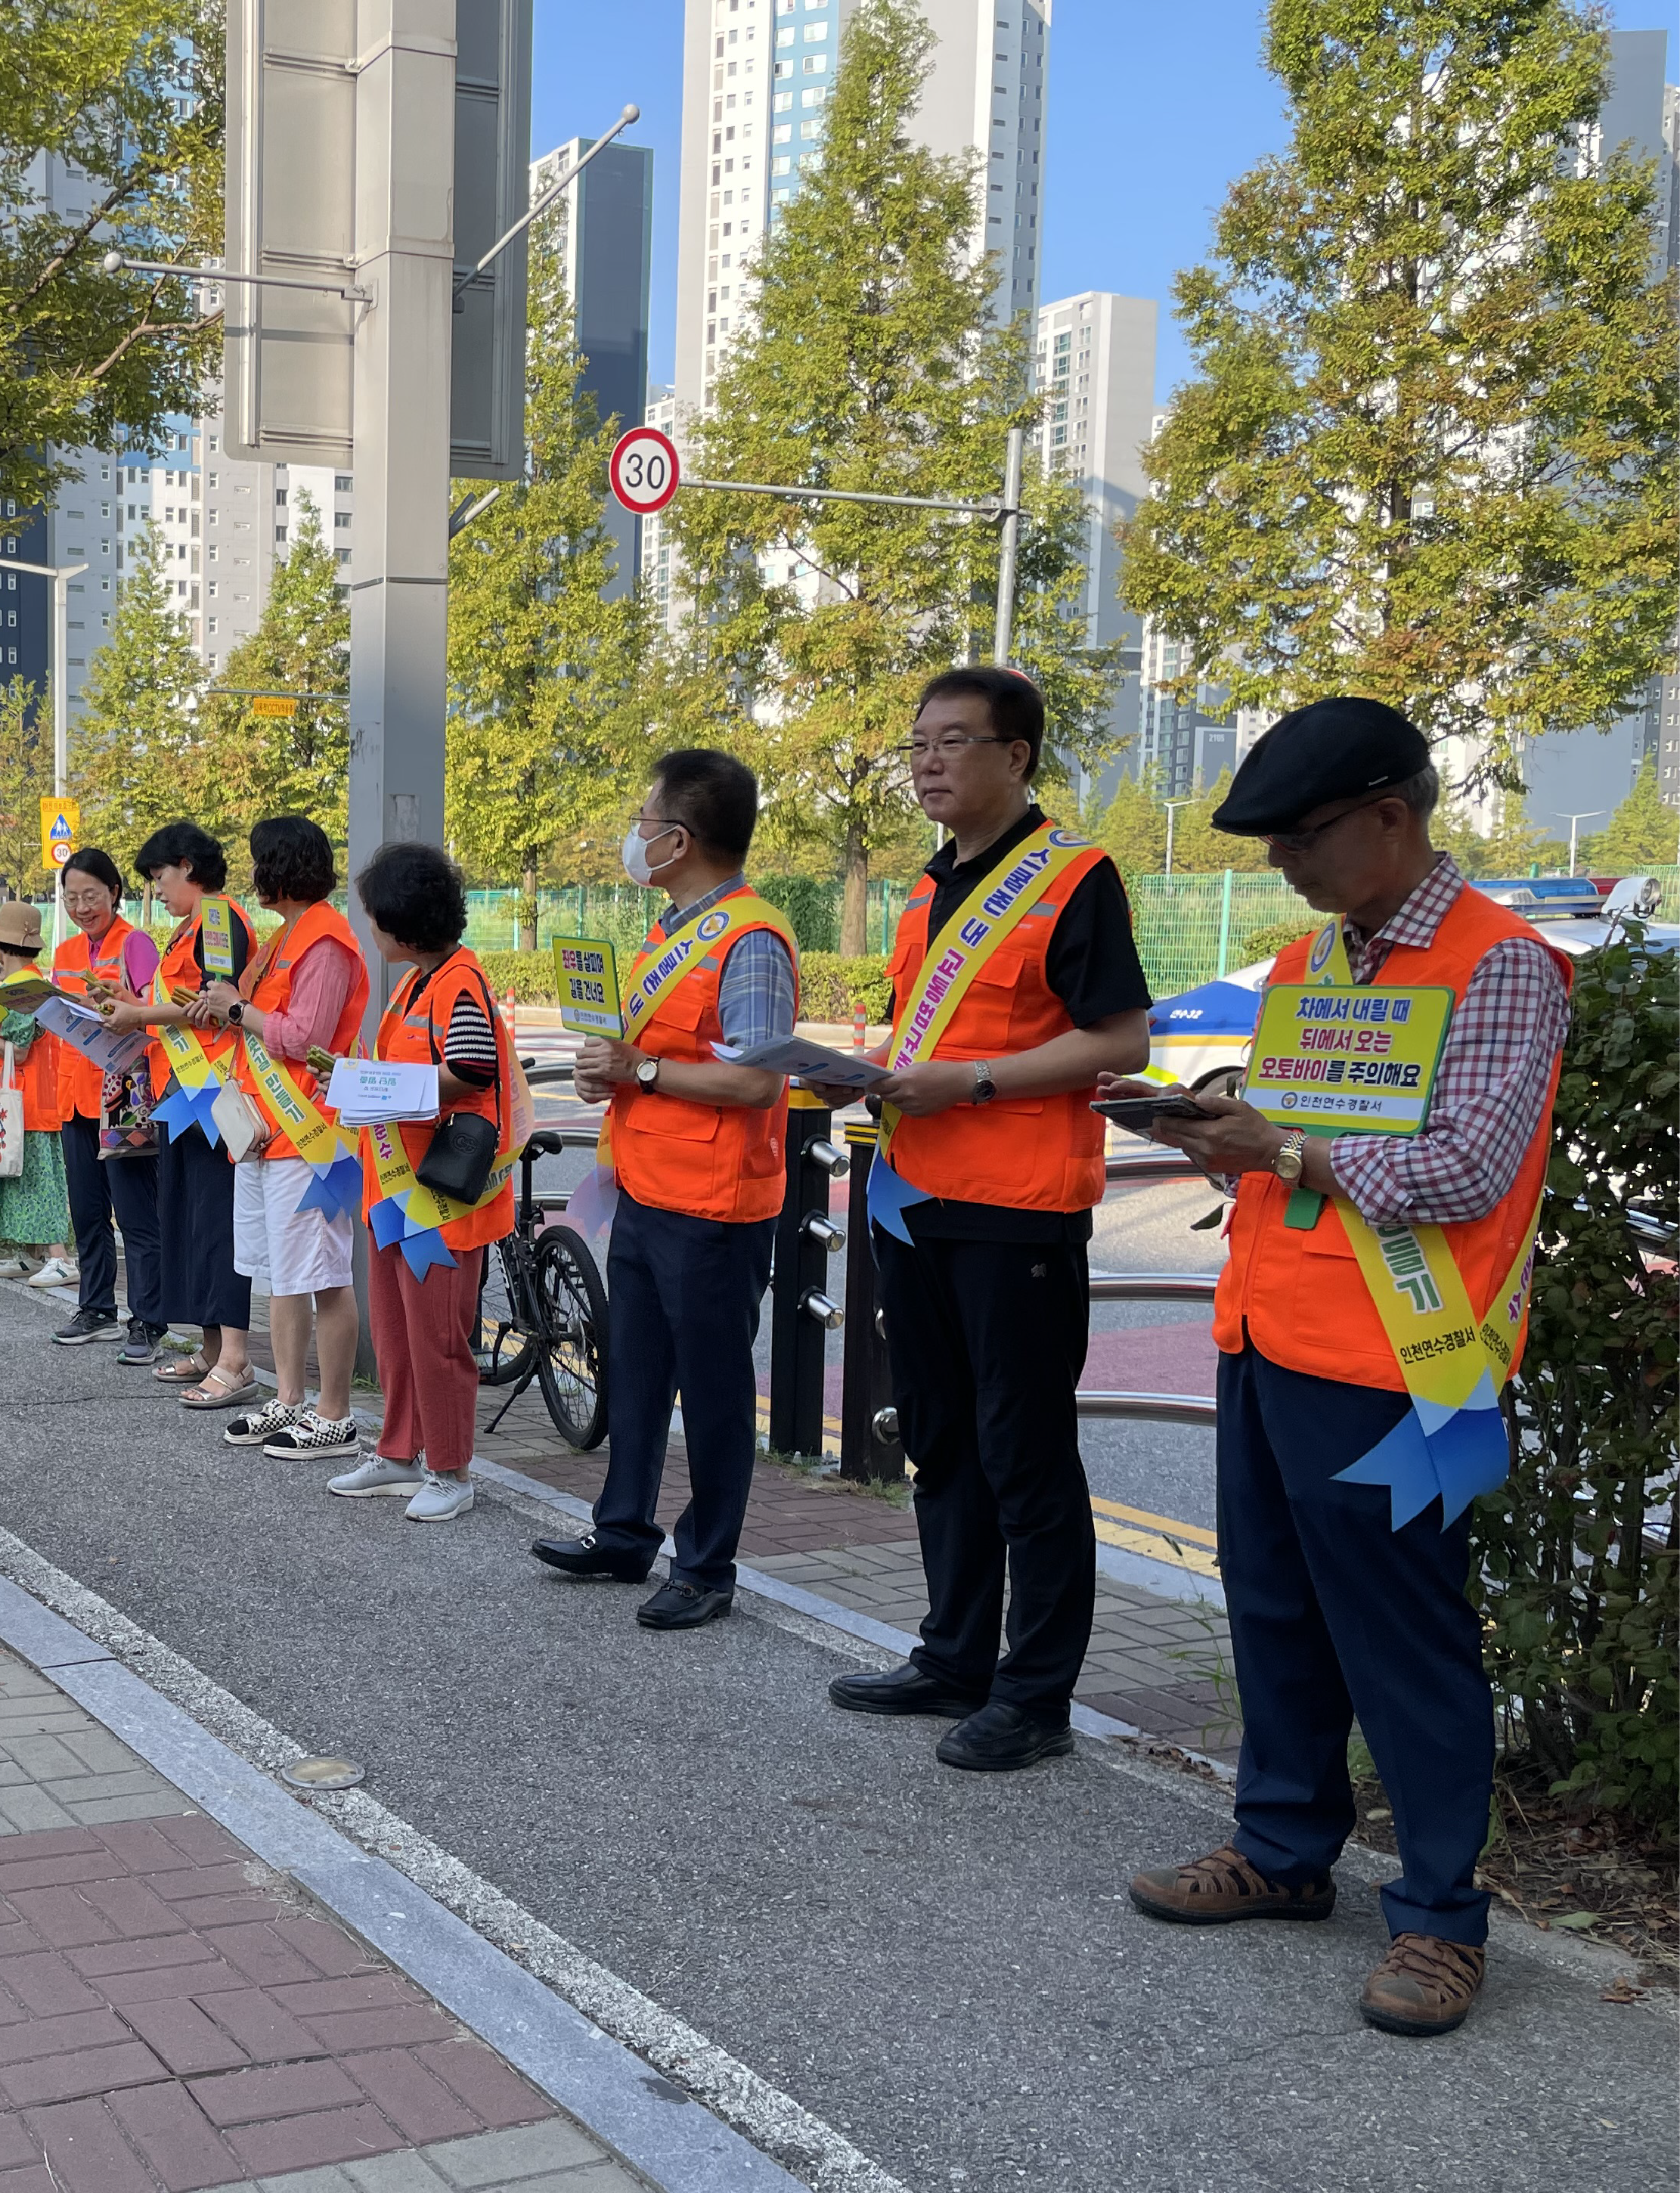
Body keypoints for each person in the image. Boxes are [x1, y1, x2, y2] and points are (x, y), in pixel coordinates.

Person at [1117, 700, 1567, 2039]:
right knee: (1273, 1607)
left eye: (1302, 836)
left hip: (1404, 1364)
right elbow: (1302, 1132)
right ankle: (1280, 1844)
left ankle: (1439, 1917)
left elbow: (1468, 1167)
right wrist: (1224, 1135)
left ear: (1392, 814)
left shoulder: (1500, 964)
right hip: (1268, 1334)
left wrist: (1282, 1152)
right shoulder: (1319, 960)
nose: (1286, 866)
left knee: (1407, 1643)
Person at [814, 668, 1153, 1770]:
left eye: (953, 741)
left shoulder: (1072, 878)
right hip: (913, 1200)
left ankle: (1034, 1691)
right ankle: (952, 1653)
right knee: (941, 1439)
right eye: (916, 742)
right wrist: (865, 1075)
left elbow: (1117, 1041)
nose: (926, 760)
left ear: (1016, 757)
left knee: (1025, 1452)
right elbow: (929, 1038)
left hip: (1016, 1211)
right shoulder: (923, 891)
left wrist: (971, 1084)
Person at [531, 751, 801, 1627]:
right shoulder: (669, 927)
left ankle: (706, 1566)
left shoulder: (749, 937)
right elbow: (650, 1063)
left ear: (677, 838)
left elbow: (758, 1082)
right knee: (637, 1373)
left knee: (715, 1390)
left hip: (715, 1205)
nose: (632, 834)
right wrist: (611, 1072)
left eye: (642, 821)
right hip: (644, 1188)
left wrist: (639, 1067)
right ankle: (621, 1533)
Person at [339, 842, 520, 1522]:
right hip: (396, 1190)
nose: (372, 931)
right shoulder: (421, 978)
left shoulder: (458, 981)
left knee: (439, 1337)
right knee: (395, 1330)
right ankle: (398, 1451)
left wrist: (387, 1088)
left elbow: (472, 1070)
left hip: (439, 1196)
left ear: (404, 922)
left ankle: (451, 1468)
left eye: (377, 920)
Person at [197, 814, 369, 1463]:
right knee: (281, 1276)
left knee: (322, 1274)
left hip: (309, 1132)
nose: (253, 874)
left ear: (283, 866)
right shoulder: (280, 938)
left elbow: (308, 1036)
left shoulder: (324, 940)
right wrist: (221, 1006)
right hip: (262, 1130)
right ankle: (289, 1396)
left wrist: (237, 1010)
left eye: (259, 861)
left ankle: (335, 1413)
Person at [107, 824, 261, 1410]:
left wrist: (140, 1012)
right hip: (183, 1089)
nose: (158, 890)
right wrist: (130, 1005)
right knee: (191, 1222)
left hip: (215, 1092)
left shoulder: (219, 921)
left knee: (218, 1225)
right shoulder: (186, 930)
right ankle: (210, 1347)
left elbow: (216, 1010)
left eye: (160, 877)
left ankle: (235, 1360)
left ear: (188, 866)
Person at [53, 848, 168, 1360]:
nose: (82, 906)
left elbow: (156, 1014)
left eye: (91, 896)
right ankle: (96, 1307)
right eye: (72, 897)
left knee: (135, 1212)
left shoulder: (135, 943)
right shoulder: (66, 951)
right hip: (75, 1095)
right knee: (88, 1211)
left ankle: (148, 1318)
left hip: (124, 1092)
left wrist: (124, 1004)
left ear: (115, 893)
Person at [0, 902, 80, 1305]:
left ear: (1, 946)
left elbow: (20, 1050)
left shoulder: (25, 991)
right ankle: (30, 1254)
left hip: (25, 1101)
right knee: (21, 1176)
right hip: (13, 1101)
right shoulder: (23, 984)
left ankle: (59, 1256)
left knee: (38, 1178)